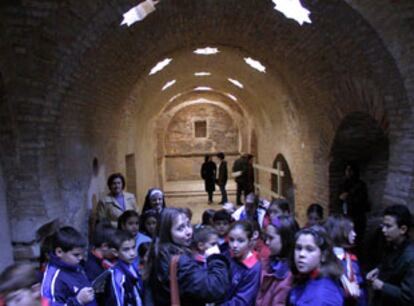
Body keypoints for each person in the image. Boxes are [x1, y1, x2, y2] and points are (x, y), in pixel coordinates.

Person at [145, 207, 231, 306]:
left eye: (188, 224)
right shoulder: (180, 260)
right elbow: (213, 289)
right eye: (180, 228)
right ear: (167, 233)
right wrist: (215, 257)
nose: (189, 231)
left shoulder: (158, 251)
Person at [366, 204, 414, 306]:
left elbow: (408, 296)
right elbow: (388, 263)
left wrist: (382, 286)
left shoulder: (411, 258)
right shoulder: (391, 243)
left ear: (403, 229)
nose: (383, 230)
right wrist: (378, 269)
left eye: (388, 226)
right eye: (383, 225)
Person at [288, 226, 344, 306]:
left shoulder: (325, 295)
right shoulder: (304, 277)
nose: (301, 254)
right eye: (298, 248)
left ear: (323, 255)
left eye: (309, 249)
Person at [41, 226, 97, 306]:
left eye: (82, 254)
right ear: (59, 252)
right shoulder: (53, 279)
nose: (80, 258)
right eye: (76, 255)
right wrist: (78, 301)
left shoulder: (75, 266)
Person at [325, 216, 368, 306]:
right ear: (342, 233)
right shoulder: (325, 260)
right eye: (351, 230)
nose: (354, 234)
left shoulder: (351, 258)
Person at [256, 216, 298, 306]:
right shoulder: (268, 262)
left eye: (271, 238)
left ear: (285, 239)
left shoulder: (289, 275)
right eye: (266, 238)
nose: (267, 242)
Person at [218, 221, 261, 306]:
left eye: (240, 241)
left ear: (250, 241)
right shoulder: (227, 255)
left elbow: (242, 301)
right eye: (231, 240)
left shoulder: (253, 268)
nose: (234, 245)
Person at [104, 230, 143, 306]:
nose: (132, 253)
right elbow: (118, 301)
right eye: (126, 249)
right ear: (115, 252)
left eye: (133, 248)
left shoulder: (133, 266)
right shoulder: (117, 274)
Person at [339, 163, 369, 253]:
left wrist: (348, 197)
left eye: (350, 170)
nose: (348, 173)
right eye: (347, 170)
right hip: (345, 215)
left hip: (357, 217)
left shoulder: (360, 185)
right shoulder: (344, 184)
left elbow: (361, 200)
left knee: (357, 239)